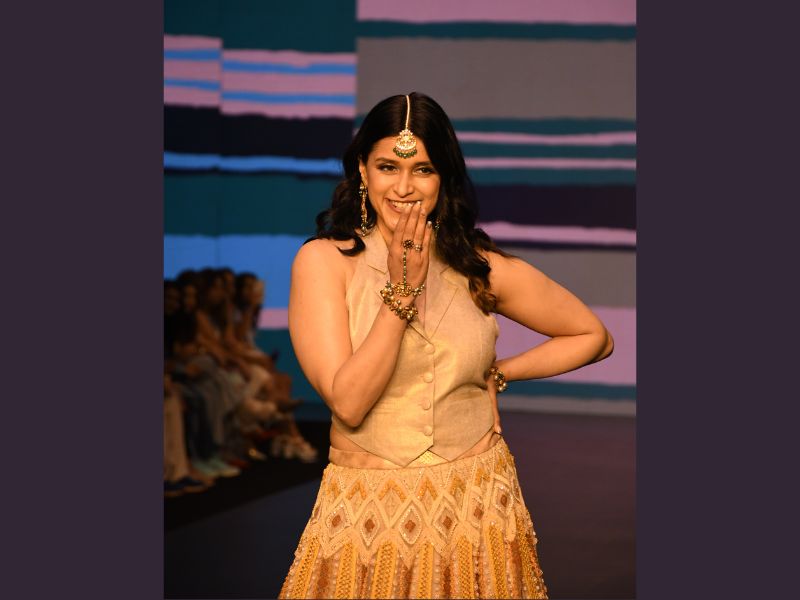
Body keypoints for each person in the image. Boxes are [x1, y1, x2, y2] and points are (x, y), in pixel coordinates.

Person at [279, 93, 614, 599]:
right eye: (388, 167)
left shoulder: (476, 266)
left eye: (424, 169)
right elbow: (348, 402)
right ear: (363, 171)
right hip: (372, 510)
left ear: (444, 178)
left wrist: (498, 374)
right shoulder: (325, 263)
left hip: (476, 503)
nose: (405, 187)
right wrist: (403, 292)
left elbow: (593, 336)